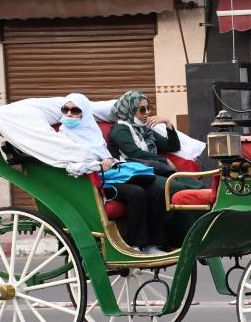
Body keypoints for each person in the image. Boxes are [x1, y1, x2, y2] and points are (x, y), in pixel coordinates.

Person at [58, 94, 168, 255]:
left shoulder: (92, 131)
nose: (69, 114)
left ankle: (155, 244)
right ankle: (136, 245)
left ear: (84, 114)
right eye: (65, 110)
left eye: (74, 110)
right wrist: (96, 165)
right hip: (91, 182)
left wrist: (108, 160)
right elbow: (70, 162)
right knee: (135, 193)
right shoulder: (62, 136)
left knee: (156, 190)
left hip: (110, 175)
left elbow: (105, 153)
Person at [108, 90, 181, 174]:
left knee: (188, 182)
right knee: (181, 184)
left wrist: (168, 122)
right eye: (142, 109)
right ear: (131, 110)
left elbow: (173, 146)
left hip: (148, 169)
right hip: (131, 172)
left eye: (148, 108)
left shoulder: (144, 129)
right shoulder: (120, 128)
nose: (147, 112)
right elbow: (135, 154)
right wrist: (165, 160)